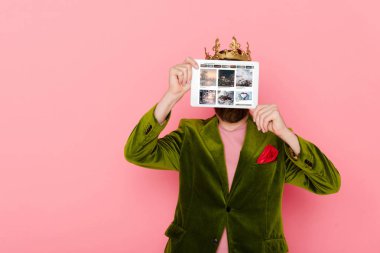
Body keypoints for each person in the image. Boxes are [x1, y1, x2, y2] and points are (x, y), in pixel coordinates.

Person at [124, 37, 341, 253]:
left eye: (237, 80)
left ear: (250, 84)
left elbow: (329, 183)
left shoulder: (275, 139)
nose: (229, 91)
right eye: (222, 81)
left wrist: (286, 134)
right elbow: (136, 152)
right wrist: (170, 97)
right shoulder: (189, 136)